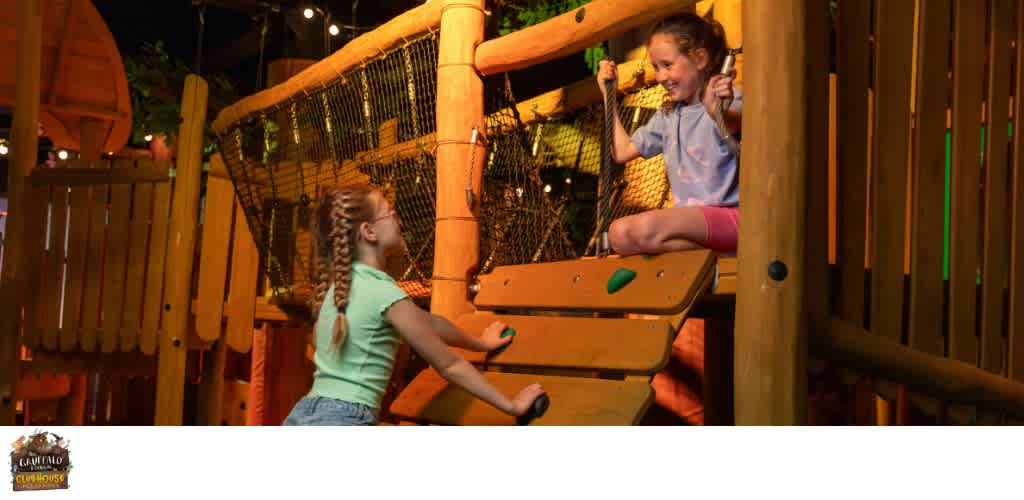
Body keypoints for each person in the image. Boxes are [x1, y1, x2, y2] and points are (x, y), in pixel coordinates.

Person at [284, 184, 546, 425]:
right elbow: (450, 365)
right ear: (369, 232)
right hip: (343, 419)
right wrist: (511, 406)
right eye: (391, 213)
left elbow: (430, 323)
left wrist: (481, 344)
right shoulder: (383, 293)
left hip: (305, 412)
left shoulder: (340, 290)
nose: (399, 219)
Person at [597, 13, 741, 255]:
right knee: (619, 237)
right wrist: (608, 95)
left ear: (700, 58)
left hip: (733, 218)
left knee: (632, 230)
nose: (661, 77)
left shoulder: (728, 99)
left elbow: (737, 128)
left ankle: (725, 253)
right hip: (694, 225)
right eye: (656, 67)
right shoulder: (668, 115)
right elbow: (621, 152)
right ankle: (716, 257)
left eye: (667, 65)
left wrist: (716, 111)